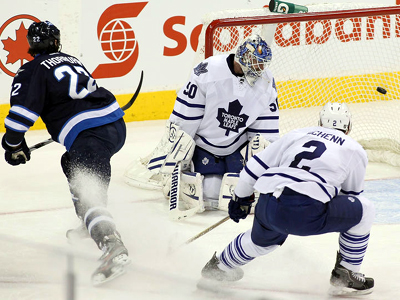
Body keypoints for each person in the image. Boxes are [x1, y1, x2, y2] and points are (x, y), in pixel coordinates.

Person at [1, 20, 130, 285]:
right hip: (115, 126)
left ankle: (112, 247)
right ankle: (89, 219)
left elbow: (21, 116)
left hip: (90, 136)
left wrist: (13, 144)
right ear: (57, 42)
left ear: (31, 45)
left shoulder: (31, 69)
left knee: (90, 195)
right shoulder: (71, 60)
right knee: (70, 162)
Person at [200, 102, 376, 296]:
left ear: (319, 123)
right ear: (349, 127)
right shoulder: (354, 149)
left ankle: (219, 267)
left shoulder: (297, 134)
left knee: (261, 241)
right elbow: (350, 196)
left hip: (268, 203)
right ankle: (347, 274)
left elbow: (253, 168)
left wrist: (240, 199)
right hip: (305, 212)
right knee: (365, 210)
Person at [125, 34, 279, 213]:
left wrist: (266, 162)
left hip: (236, 147)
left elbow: (266, 125)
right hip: (203, 145)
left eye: (263, 63)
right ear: (244, 57)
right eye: (256, 62)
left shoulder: (266, 82)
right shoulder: (209, 70)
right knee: (207, 191)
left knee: (239, 184)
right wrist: (178, 152)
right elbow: (186, 116)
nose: (260, 68)